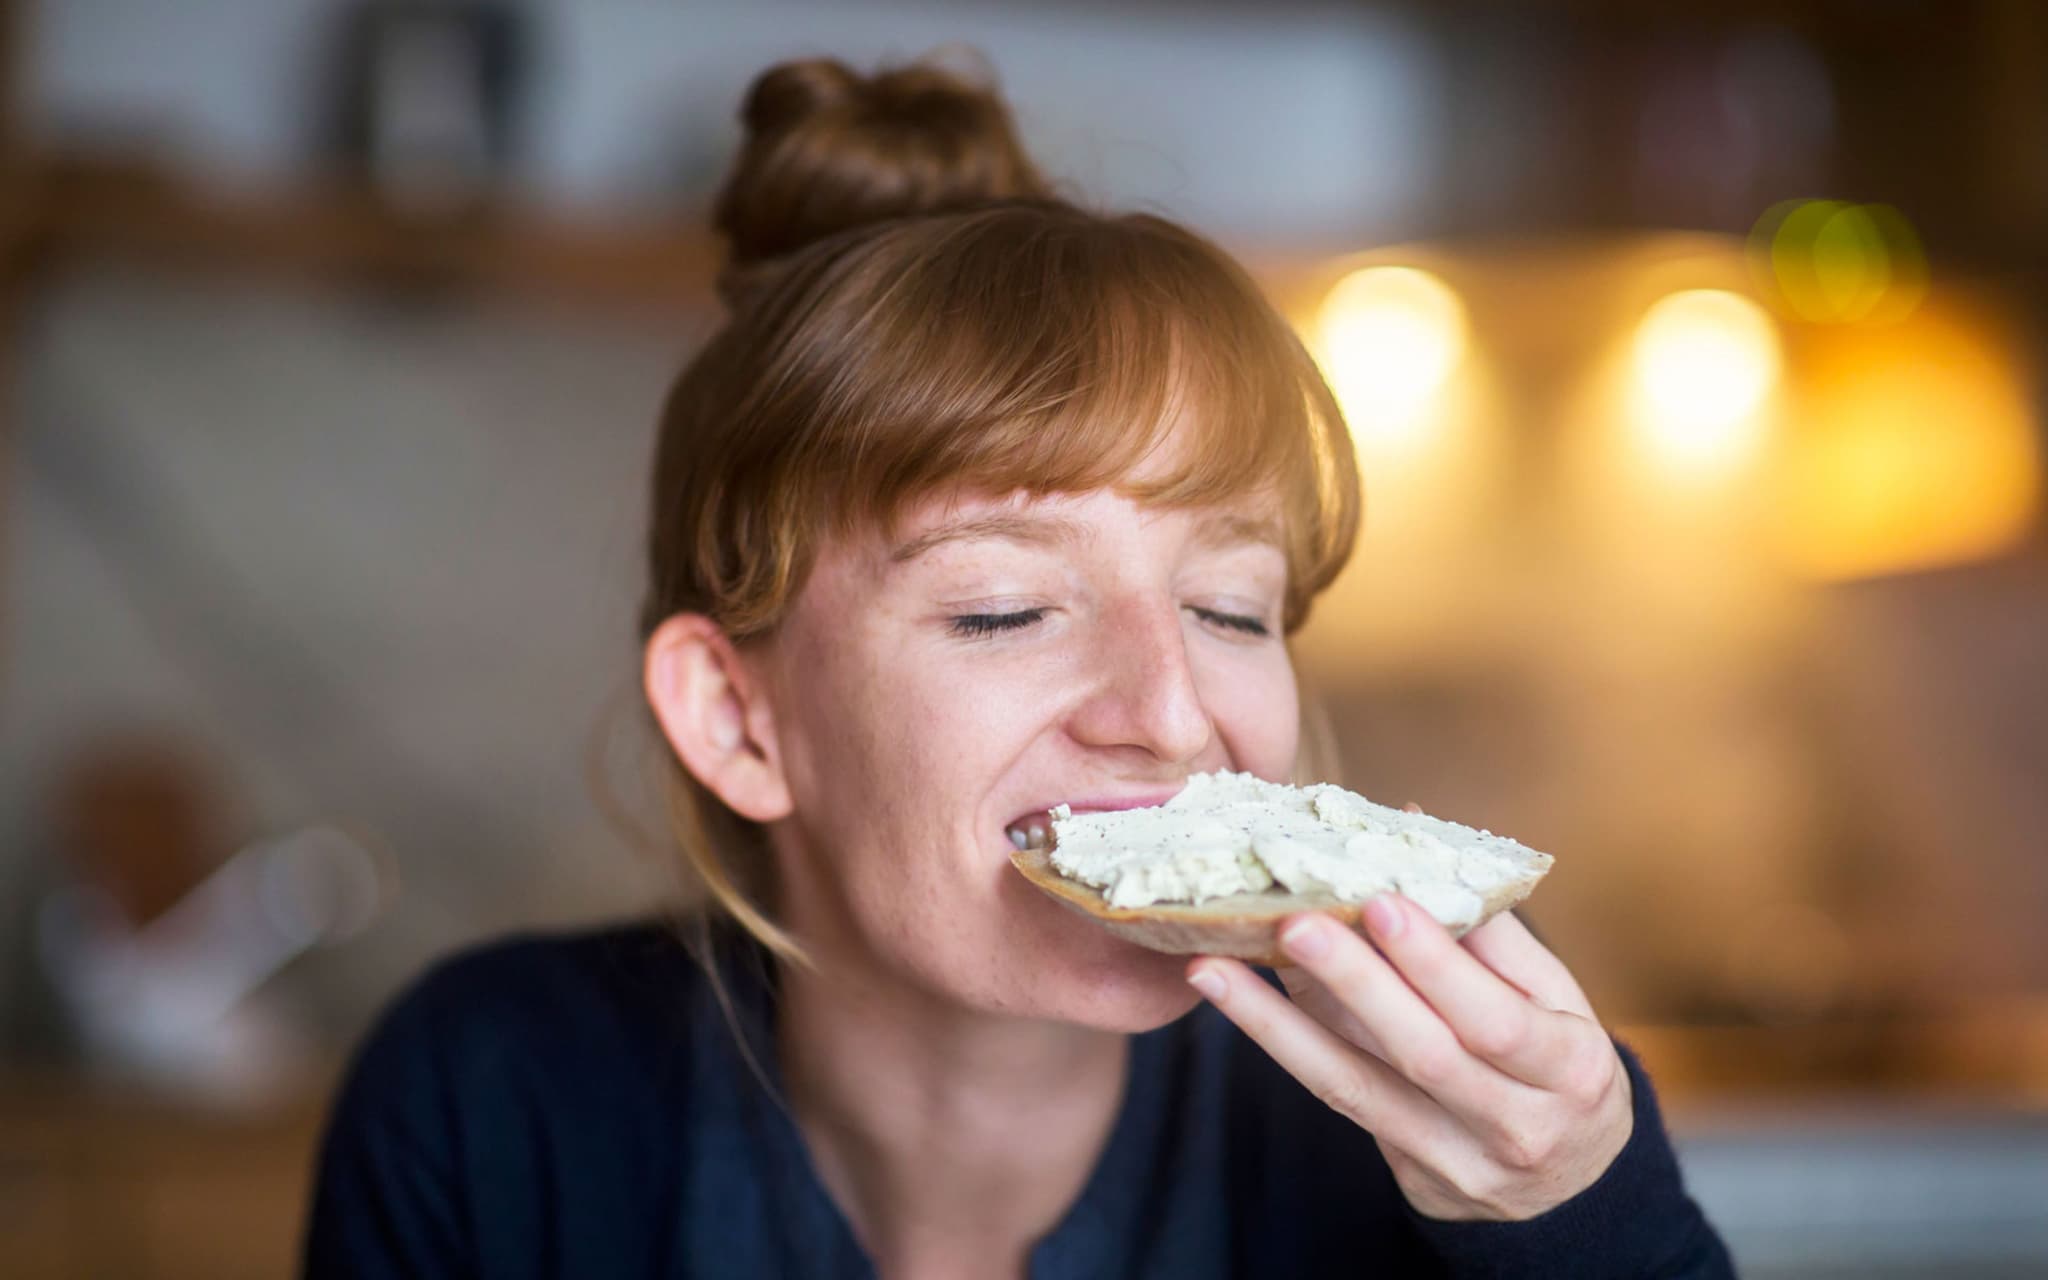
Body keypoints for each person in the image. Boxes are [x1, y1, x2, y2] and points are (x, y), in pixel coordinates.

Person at [304, 56, 1734, 1279]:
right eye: (1003, 610)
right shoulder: (493, 1104)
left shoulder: (1434, 1147)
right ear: (739, 720)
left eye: (1232, 609)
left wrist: (1582, 1229)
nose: (1173, 715)